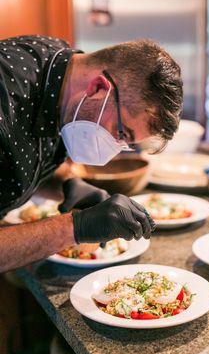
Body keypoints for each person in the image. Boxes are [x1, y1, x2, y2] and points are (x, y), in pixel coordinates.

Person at [0, 35, 183, 272]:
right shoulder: (7, 98)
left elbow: (20, 161)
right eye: (120, 132)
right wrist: (75, 228)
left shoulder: (64, 76)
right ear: (98, 87)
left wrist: (67, 183)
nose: (113, 148)